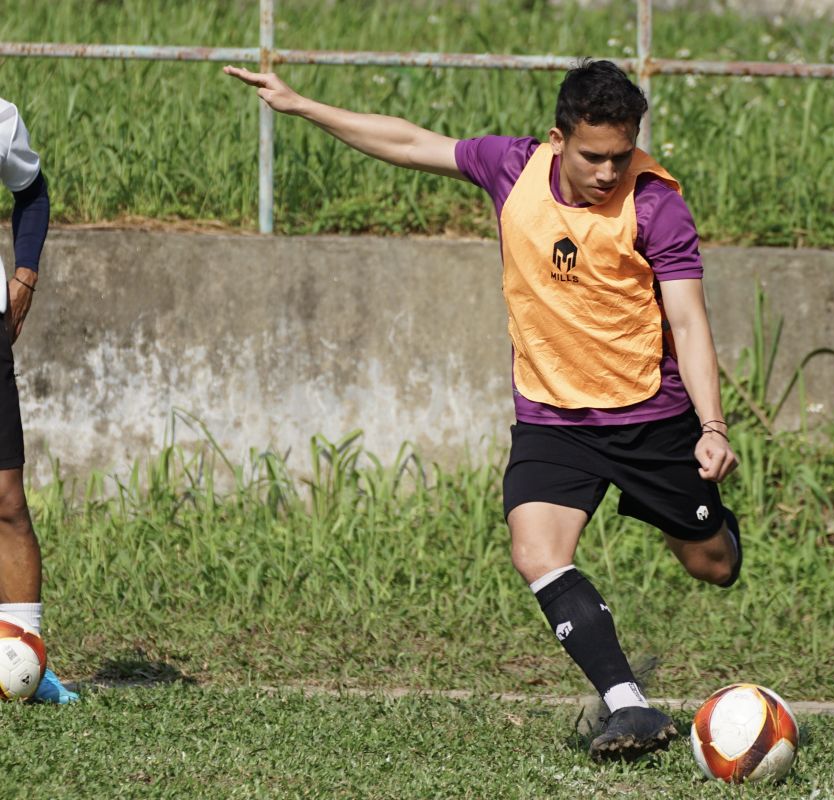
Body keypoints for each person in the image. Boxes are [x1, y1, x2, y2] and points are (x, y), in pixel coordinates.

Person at [225, 59, 741, 759]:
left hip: (651, 417)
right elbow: (411, 143)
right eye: (593, 156)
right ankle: (630, 706)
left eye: (621, 156)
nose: (607, 172)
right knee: (535, 552)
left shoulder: (655, 204)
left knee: (713, 564)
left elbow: (688, 319)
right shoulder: (513, 169)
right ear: (557, 138)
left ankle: (703, 524)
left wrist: (711, 426)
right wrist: (304, 106)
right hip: (553, 420)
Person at [0, 96, 78, 703]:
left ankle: (27, 654)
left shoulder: (1, 117)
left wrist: (24, 275)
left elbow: (33, 192)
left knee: (5, 500)